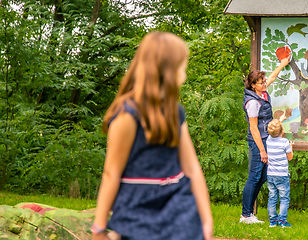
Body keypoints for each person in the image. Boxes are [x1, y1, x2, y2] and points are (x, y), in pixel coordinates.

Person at [92, 32, 213, 240]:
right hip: (136, 210)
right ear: (166, 70)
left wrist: (206, 219)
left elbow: (192, 168)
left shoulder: (175, 112)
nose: (184, 74)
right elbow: (111, 173)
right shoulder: (126, 115)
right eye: (182, 67)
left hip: (178, 207)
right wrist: (99, 228)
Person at [240, 57, 290, 224]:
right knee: (254, 177)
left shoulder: (261, 93)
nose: (264, 84)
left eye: (263, 81)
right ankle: (246, 215)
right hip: (258, 142)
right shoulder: (253, 102)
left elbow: (273, 77)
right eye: (261, 83)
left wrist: (282, 65)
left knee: (262, 177)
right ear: (253, 85)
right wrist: (261, 150)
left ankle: (249, 214)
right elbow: (254, 128)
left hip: (266, 141)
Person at [265, 119, 293, 228]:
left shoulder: (268, 140)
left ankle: (273, 221)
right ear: (282, 131)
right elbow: (289, 157)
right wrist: (291, 147)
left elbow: (274, 132)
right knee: (284, 198)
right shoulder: (285, 142)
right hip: (282, 175)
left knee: (272, 197)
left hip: (271, 174)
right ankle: (282, 221)